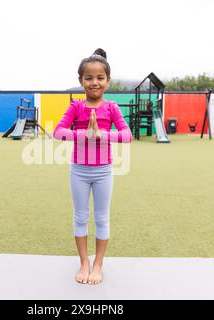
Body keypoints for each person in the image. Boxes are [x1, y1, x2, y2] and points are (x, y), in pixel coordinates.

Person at [53, 48, 133, 285]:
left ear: (108, 81)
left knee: (101, 218)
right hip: (78, 171)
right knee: (80, 216)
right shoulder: (76, 107)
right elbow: (58, 131)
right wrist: (83, 135)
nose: (94, 82)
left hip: (103, 172)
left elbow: (127, 135)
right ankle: (84, 262)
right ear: (81, 81)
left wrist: (101, 135)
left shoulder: (112, 109)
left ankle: (98, 264)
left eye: (100, 78)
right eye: (89, 78)